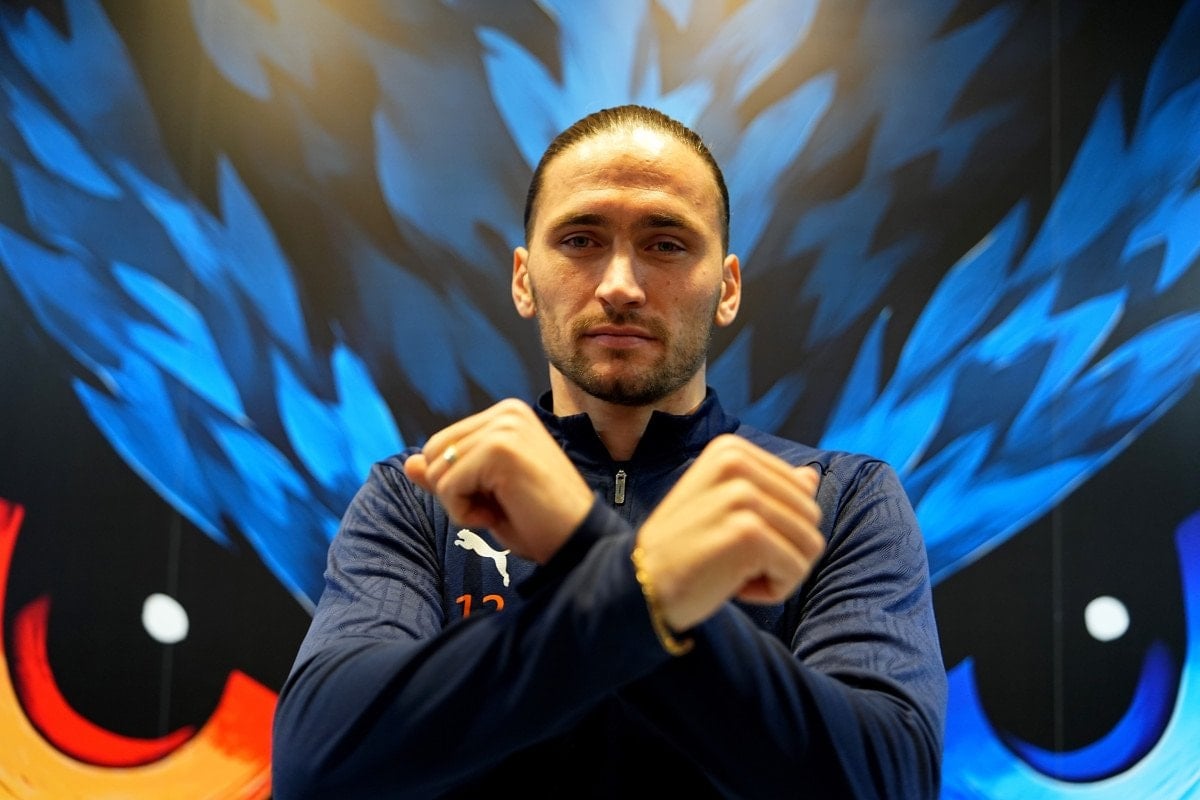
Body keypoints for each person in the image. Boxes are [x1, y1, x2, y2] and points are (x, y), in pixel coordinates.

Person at [271, 104, 947, 798]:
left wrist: (580, 543)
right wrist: (649, 586)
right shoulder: (424, 495)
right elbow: (316, 767)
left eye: (666, 244)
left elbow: (888, 780)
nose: (620, 285)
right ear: (524, 279)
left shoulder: (836, 499)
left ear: (728, 289)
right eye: (580, 239)